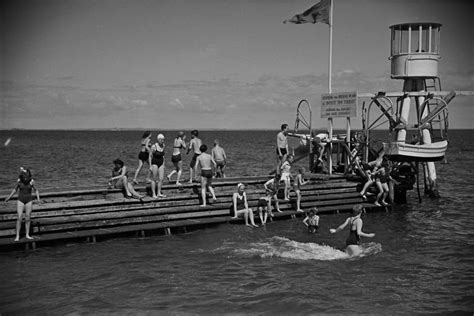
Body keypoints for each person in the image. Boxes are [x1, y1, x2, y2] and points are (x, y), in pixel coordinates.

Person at [5, 167, 40, 241]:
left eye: (27, 176)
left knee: (28, 218)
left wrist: (38, 199)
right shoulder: (19, 181)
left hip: (29, 200)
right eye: (24, 176)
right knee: (19, 217)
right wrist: (9, 197)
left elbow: (36, 190)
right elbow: (15, 189)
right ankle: (17, 236)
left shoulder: (32, 181)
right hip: (20, 200)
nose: (25, 178)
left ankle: (27, 234)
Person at [150, 134, 167, 198]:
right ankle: (153, 193)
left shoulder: (163, 146)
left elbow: (163, 156)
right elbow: (150, 156)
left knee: (161, 178)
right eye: (162, 140)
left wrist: (164, 164)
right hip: (154, 162)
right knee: (154, 178)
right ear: (158, 139)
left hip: (161, 162)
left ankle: (159, 193)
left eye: (163, 140)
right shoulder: (154, 146)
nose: (163, 141)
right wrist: (150, 166)